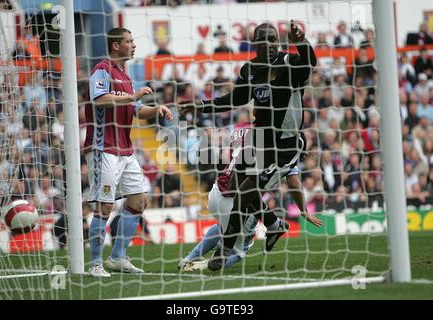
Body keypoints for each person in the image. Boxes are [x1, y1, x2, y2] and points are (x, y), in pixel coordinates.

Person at [180, 21, 318, 271]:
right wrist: (202, 106)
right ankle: (274, 224)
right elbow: (234, 99)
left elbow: (310, 63)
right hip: (259, 139)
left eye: (274, 41)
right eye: (264, 42)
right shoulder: (250, 69)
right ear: (255, 44)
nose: (270, 46)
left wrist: (301, 42)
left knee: (245, 192)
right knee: (235, 185)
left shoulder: (289, 63)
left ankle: (225, 247)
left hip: (285, 145)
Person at [84, 27, 173, 277]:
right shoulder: (102, 69)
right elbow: (98, 99)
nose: (133, 45)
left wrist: (156, 109)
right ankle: (95, 264)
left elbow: (136, 109)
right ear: (116, 46)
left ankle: (118, 257)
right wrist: (132, 96)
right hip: (104, 148)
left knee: (139, 200)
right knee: (104, 207)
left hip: (125, 149)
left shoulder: (126, 74)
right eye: (129, 41)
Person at [178, 121, 323, 272]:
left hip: (217, 191)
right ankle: (198, 266)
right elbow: (293, 181)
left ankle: (189, 259)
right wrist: (303, 210)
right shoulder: (276, 139)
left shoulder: (240, 127)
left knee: (223, 227)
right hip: (237, 200)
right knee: (240, 251)